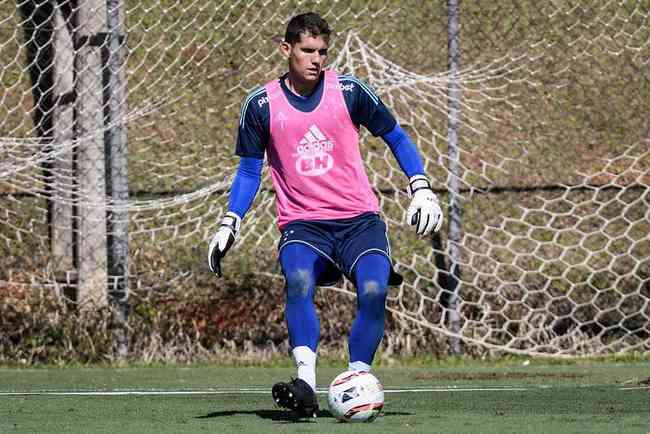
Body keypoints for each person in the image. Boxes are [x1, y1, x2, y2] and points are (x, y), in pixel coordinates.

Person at [208, 12, 443, 418]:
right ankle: (304, 383)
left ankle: (357, 379)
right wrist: (231, 221)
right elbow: (249, 171)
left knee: (373, 290)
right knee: (298, 280)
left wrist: (420, 186)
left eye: (322, 52)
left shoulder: (350, 91)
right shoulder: (260, 105)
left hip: (359, 221)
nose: (316, 59)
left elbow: (396, 136)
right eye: (307, 51)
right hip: (303, 225)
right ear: (287, 50)